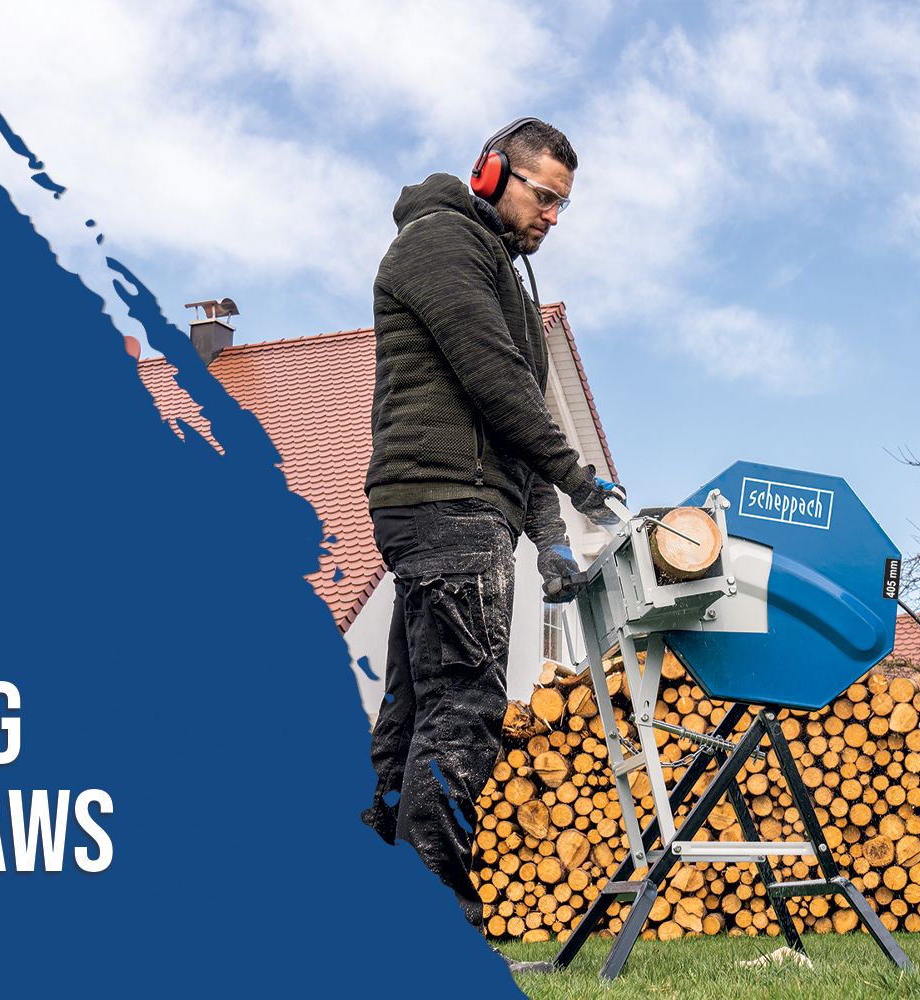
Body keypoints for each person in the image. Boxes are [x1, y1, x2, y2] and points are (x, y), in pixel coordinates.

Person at [360, 118, 624, 926]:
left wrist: (549, 539)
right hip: (445, 506)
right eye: (543, 196)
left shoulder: (504, 276)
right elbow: (492, 378)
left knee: (412, 718)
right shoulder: (442, 243)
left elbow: (517, 418)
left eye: (562, 205)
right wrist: (580, 481)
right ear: (490, 173)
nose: (552, 215)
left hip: (461, 509)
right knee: (466, 709)